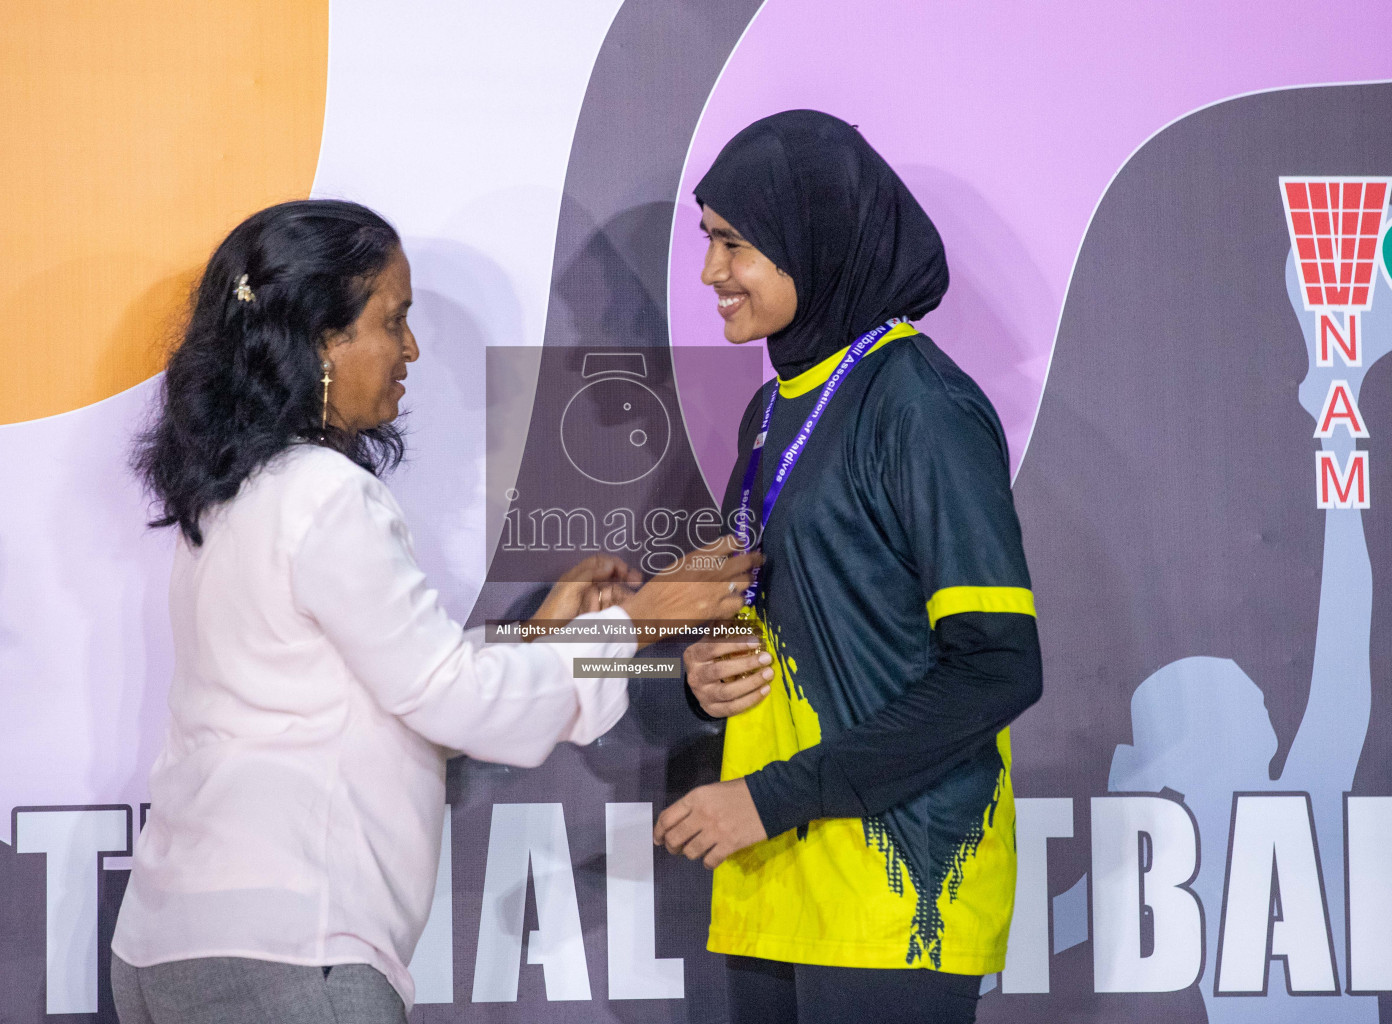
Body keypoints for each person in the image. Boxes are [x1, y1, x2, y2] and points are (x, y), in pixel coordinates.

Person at [109, 199, 758, 1024]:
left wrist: (541, 636)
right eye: (394, 320)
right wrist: (640, 624)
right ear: (320, 338)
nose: (411, 349)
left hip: (170, 948)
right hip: (289, 955)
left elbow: (394, 691)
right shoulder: (326, 494)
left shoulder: (238, 490)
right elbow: (450, 699)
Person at [651, 111, 1043, 1024]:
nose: (710, 272)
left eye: (735, 244)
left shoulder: (922, 405)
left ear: (812, 241)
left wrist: (773, 796)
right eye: (708, 241)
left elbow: (998, 665)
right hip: (776, 883)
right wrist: (701, 678)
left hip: (895, 896)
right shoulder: (771, 410)